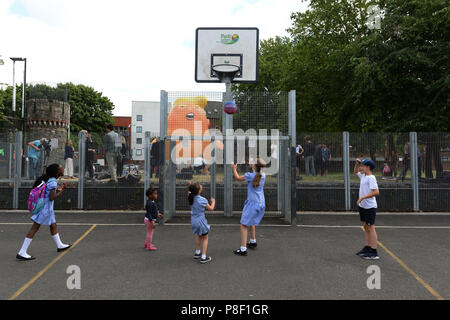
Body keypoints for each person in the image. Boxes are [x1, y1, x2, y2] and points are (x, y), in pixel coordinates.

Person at [16, 164, 72, 260]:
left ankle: (60, 245)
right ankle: (22, 252)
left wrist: (58, 190)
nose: (62, 168)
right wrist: (62, 190)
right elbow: (51, 197)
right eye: (61, 168)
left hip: (47, 209)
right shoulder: (53, 182)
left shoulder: (50, 180)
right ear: (57, 172)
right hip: (45, 210)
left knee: (53, 225)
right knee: (34, 228)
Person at [232, 159, 266, 256]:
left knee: (243, 224)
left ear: (255, 166)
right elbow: (257, 173)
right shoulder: (263, 175)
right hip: (261, 203)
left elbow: (238, 178)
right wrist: (254, 164)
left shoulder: (250, 176)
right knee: (251, 221)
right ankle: (253, 241)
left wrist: (234, 169)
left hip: (253, 204)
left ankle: (243, 249)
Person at [354, 158, 380, 260]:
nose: (361, 167)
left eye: (363, 166)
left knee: (371, 227)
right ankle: (368, 246)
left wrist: (362, 198)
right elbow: (356, 172)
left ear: (368, 167)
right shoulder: (363, 176)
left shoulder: (371, 178)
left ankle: (374, 251)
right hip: (363, 206)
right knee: (365, 226)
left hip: (370, 207)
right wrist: (356, 164)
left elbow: (376, 192)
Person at [188, 182, 215, 264]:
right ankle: (203, 257)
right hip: (201, 221)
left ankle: (197, 252)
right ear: (199, 191)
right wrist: (213, 201)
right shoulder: (202, 200)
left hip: (194, 220)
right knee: (205, 237)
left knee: (199, 236)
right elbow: (211, 208)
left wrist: (190, 185)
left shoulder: (190, 197)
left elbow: (189, 192)